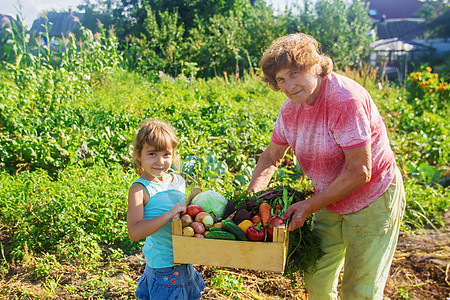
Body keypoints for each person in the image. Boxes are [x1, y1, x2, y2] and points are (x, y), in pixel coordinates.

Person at [247, 33, 406, 299]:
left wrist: (309, 205)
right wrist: (251, 196)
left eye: (294, 73)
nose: (288, 85)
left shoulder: (344, 101)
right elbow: (271, 156)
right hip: (329, 197)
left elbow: (359, 172)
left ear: (315, 66)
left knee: (359, 289)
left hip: (372, 197)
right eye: (281, 80)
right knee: (317, 279)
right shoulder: (290, 109)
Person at [127, 119, 205, 300]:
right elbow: (135, 232)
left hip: (184, 262)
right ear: (139, 154)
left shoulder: (177, 181)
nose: (160, 161)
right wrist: (169, 214)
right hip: (163, 268)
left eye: (166, 154)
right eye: (152, 154)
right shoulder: (139, 190)